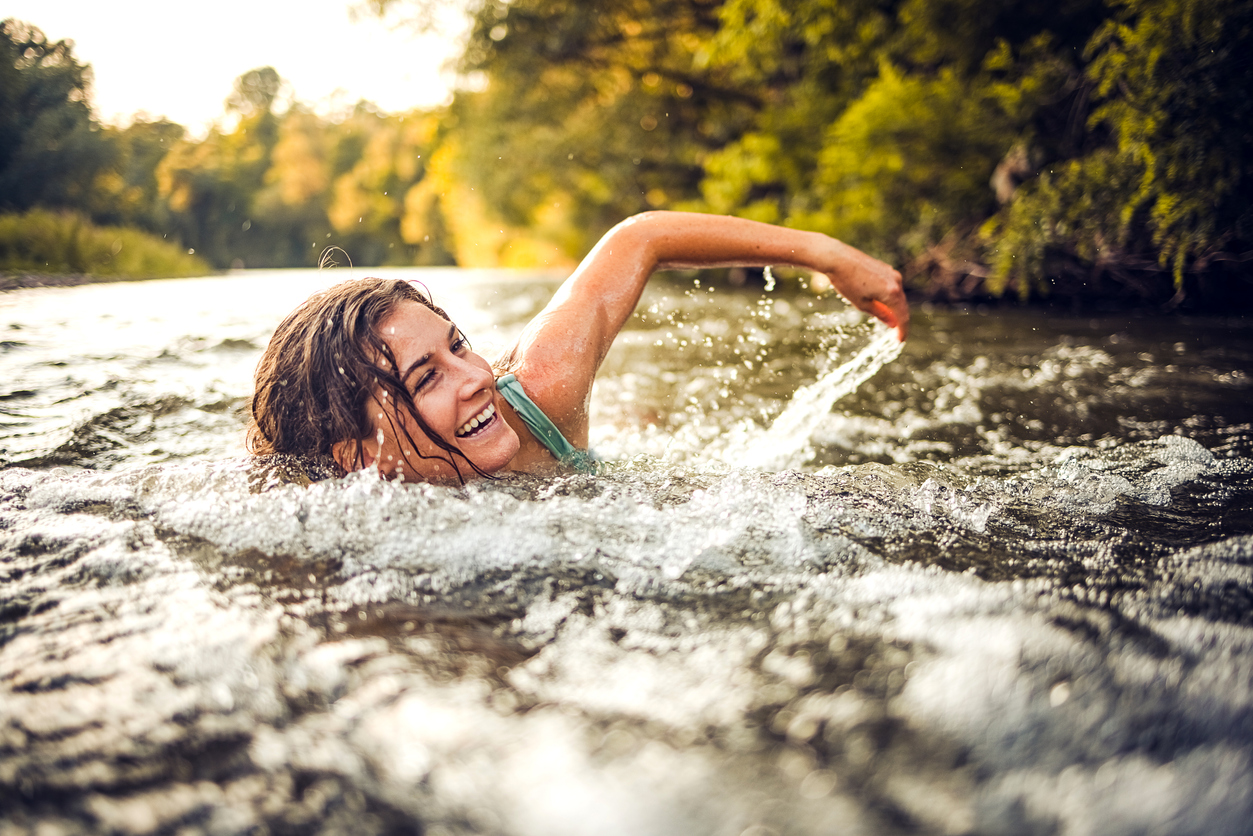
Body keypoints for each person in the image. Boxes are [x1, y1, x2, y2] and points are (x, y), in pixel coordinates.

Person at [247, 211, 908, 483]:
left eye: (459, 346)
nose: (476, 376)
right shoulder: (332, 522)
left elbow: (639, 238)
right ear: (359, 454)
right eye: (427, 378)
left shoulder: (538, 394)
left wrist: (824, 255)